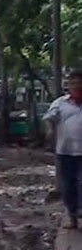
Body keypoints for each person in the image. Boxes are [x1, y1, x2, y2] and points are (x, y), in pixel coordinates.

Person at [45, 70, 82, 228]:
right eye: (73, 83)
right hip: (65, 151)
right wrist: (50, 130)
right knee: (68, 185)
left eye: (79, 83)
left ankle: (80, 210)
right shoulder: (60, 103)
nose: (77, 86)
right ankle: (72, 216)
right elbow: (49, 118)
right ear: (69, 86)